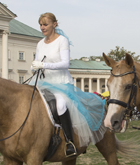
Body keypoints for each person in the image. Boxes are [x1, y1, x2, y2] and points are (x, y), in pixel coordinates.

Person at [31, 12, 106, 157]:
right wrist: (34, 66)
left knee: (60, 104)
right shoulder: (40, 43)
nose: (42, 27)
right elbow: (38, 60)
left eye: (45, 24)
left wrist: (43, 64)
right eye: (40, 24)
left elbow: (65, 63)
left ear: (54, 24)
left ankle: (69, 142)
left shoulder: (62, 41)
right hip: (43, 82)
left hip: (60, 83)